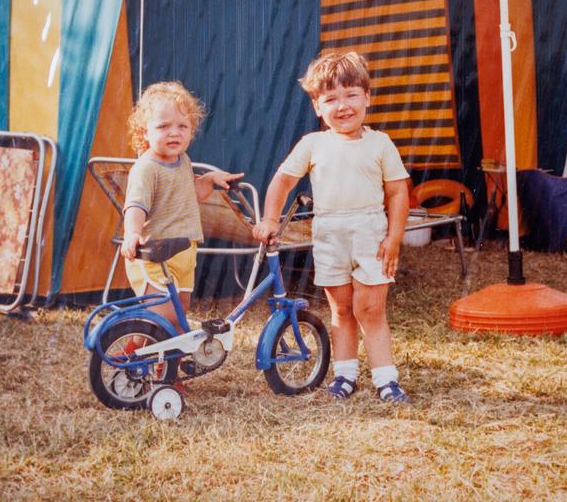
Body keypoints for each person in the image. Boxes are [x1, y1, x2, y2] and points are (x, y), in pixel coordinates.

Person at [252, 52, 411, 403]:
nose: (343, 106)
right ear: (317, 106)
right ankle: (345, 375)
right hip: (328, 235)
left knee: (370, 309)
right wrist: (270, 218)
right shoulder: (313, 144)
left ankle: (386, 379)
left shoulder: (380, 143)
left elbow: (398, 192)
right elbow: (282, 180)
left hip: (370, 233)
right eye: (331, 99)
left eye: (351, 95)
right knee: (340, 310)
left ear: (367, 97)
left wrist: (394, 237)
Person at [122, 81, 243, 333]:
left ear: (192, 130)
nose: (174, 133)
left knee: (178, 315)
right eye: (163, 126)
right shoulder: (147, 168)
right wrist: (132, 233)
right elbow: (136, 205)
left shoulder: (183, 161)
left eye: (182, 126)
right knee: (164, 318)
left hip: (184, 252)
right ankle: (138, 358)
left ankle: (166, 367)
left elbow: (192, 193)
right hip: (156, 253)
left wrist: (210, 180)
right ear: (144, 132)